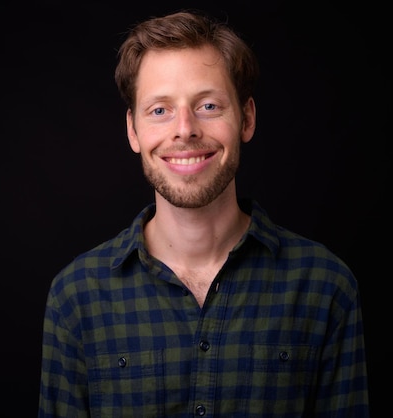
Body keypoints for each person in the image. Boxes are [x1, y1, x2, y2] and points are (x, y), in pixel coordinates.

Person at [38, 9, 369, 417]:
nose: (185, 129)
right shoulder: (76, 297)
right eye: (160, 110)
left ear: (246, 118)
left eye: (208, 105)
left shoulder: (325, 287)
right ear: (133, 131)